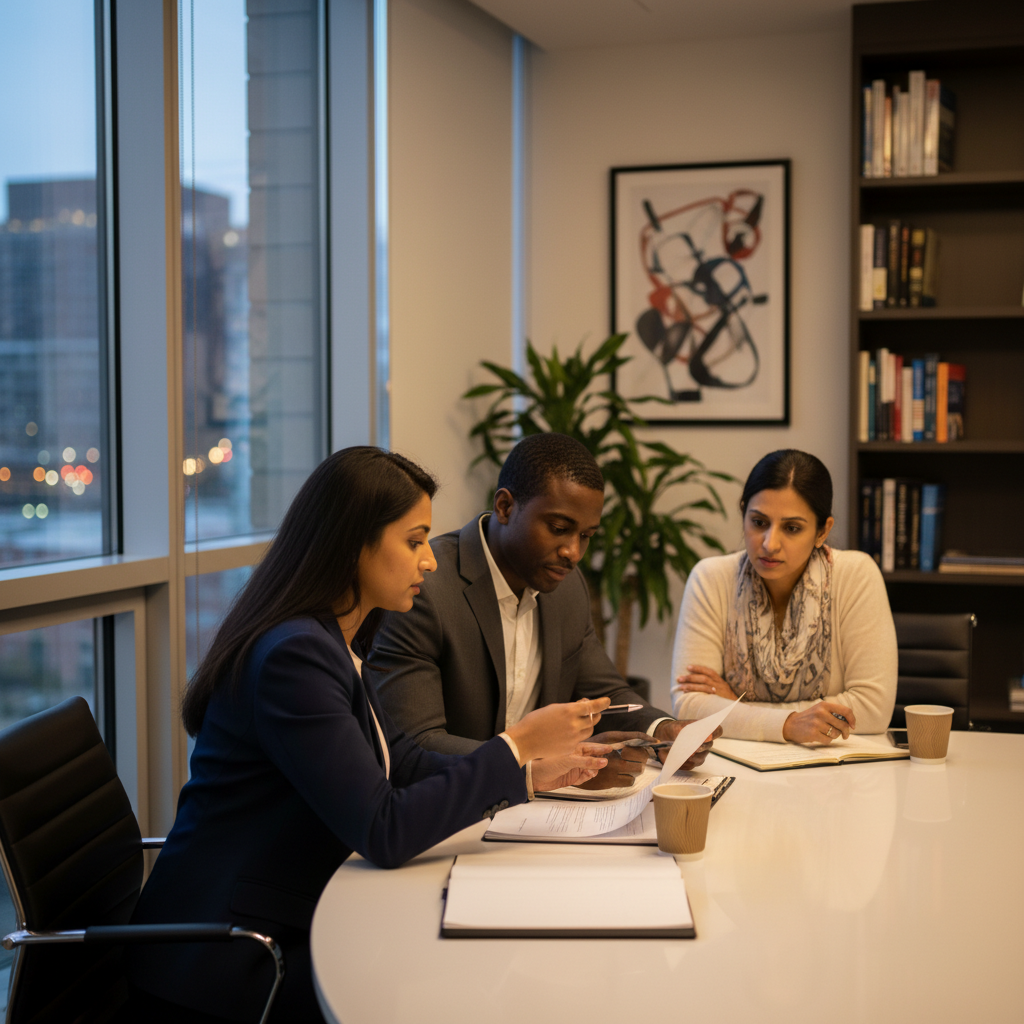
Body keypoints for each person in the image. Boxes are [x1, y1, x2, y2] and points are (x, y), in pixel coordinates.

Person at [125, 447, 610, 1023]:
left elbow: (395, 759)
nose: (429, 562)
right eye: (414, 541)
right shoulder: (294, 657)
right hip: (233, 951)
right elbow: (383, 827)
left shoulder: (332, 637)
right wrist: (517, 745)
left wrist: (526, 775)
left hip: (291, 909)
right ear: (352, 541)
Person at [368, 432, 717, 792]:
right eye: (559, 529)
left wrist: (663, 730)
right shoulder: (426, 588)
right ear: (505, 507)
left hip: (536, 816)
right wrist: (542, 769)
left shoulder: (567, 588)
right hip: (445, 814)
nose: (573, 552)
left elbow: (605, 691)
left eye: (586, 535)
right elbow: (415, 746)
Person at [671, 449, 897, 744]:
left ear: (822, 531)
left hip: (835, 771)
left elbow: (872, 709)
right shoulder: (711, 578)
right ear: (744, 515)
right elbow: (689, 706)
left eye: (791, 528)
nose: (769, 543)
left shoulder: (856, 575)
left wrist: (739, 709)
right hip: (739, 767)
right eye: (759, 522)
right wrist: (789, 725)